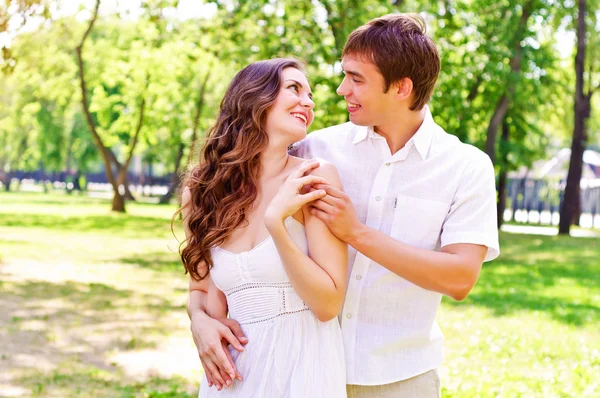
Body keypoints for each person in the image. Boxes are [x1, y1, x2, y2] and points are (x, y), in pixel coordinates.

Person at [290, 13, 500, 397]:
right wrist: (201, 311)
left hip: (403, 380)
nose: (341, 90)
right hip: (307, 370)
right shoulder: (314, 149)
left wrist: (356, 233)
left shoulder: (466, 167)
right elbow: (234, 212)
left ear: (401, 88)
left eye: (356, 79)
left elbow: (459, 277)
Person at [175, 58, 348, 397]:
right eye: (295, 89)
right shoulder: (202, 191)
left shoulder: (313, 178)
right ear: (255, 96)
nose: (309, 102)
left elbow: (328, 304)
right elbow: (200, 291)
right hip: (232, 373)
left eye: (310, 95)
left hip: (302, 366)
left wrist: (277, 224)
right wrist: (199, 322)